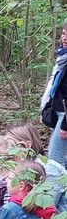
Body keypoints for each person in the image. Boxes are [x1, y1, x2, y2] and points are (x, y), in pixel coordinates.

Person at [40, 23, 67, 169]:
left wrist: (65, 125)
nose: (64, 38)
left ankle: (53, 192)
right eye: (63, 34)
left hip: (65, 116)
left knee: (55, 159)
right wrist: (46, 108)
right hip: (57, 111)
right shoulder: (62, 59)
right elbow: (55, 87)